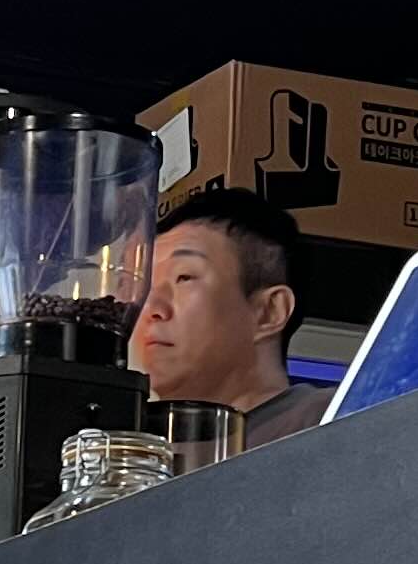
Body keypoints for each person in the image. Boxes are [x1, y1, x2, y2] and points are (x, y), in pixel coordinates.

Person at [133, 184, 326, 443]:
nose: (151, 308)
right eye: (145, 286)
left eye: (184, 277)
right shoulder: (138, 449)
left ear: (269, 312)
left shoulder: (328, 424)